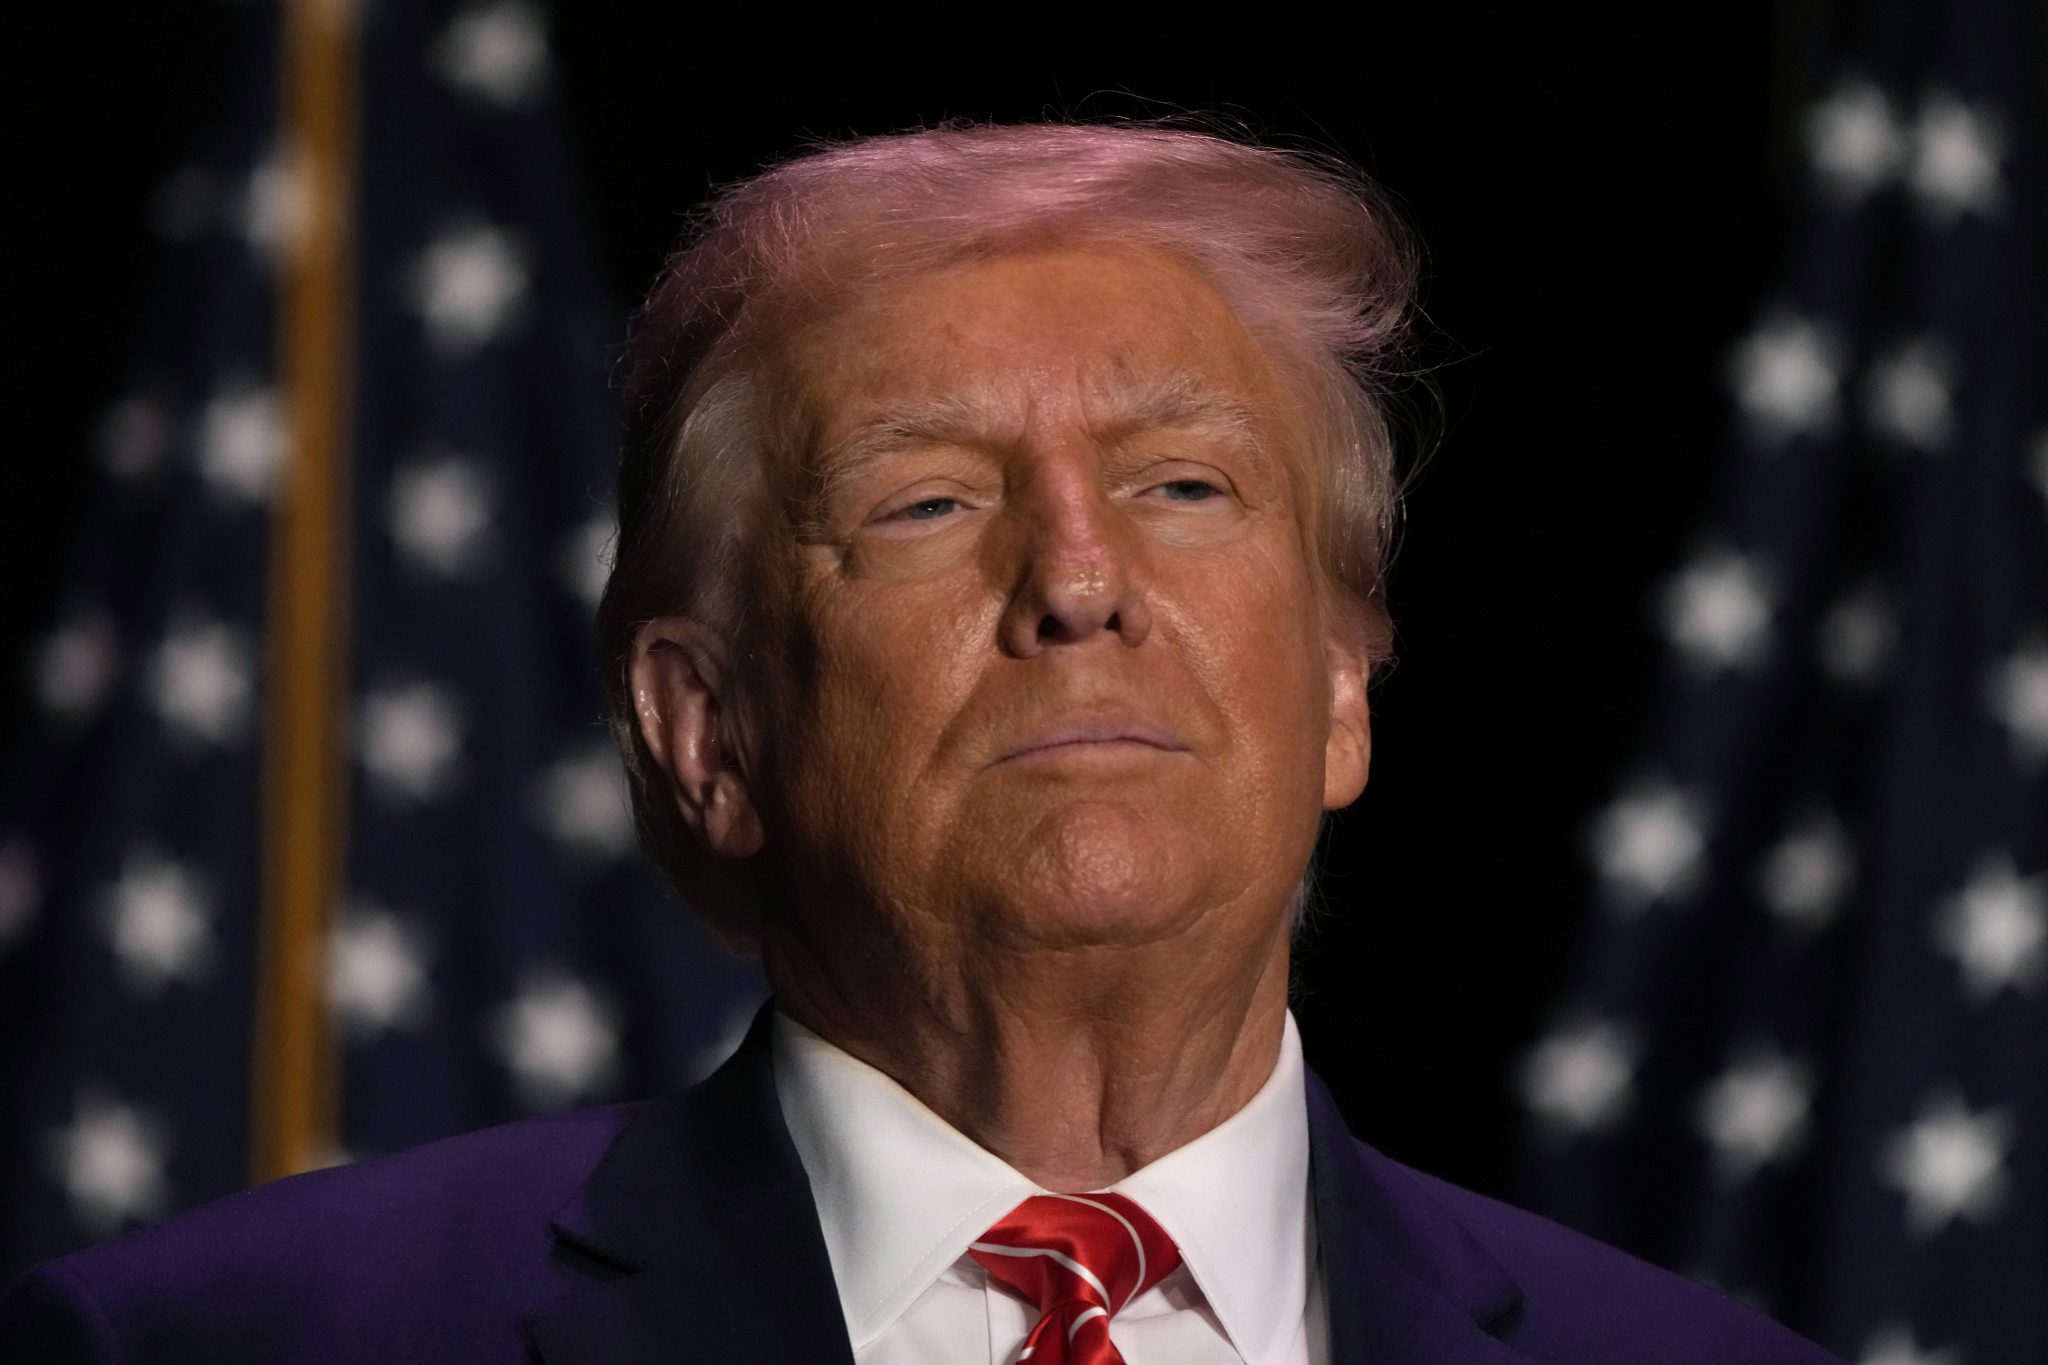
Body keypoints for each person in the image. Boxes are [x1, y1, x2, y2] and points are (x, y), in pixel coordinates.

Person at [1, 123, 1842, 1364]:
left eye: (1186, 484)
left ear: (1344, 689)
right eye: (928, 502)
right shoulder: (238, 1340)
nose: (1080, 577)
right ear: (704, 726)